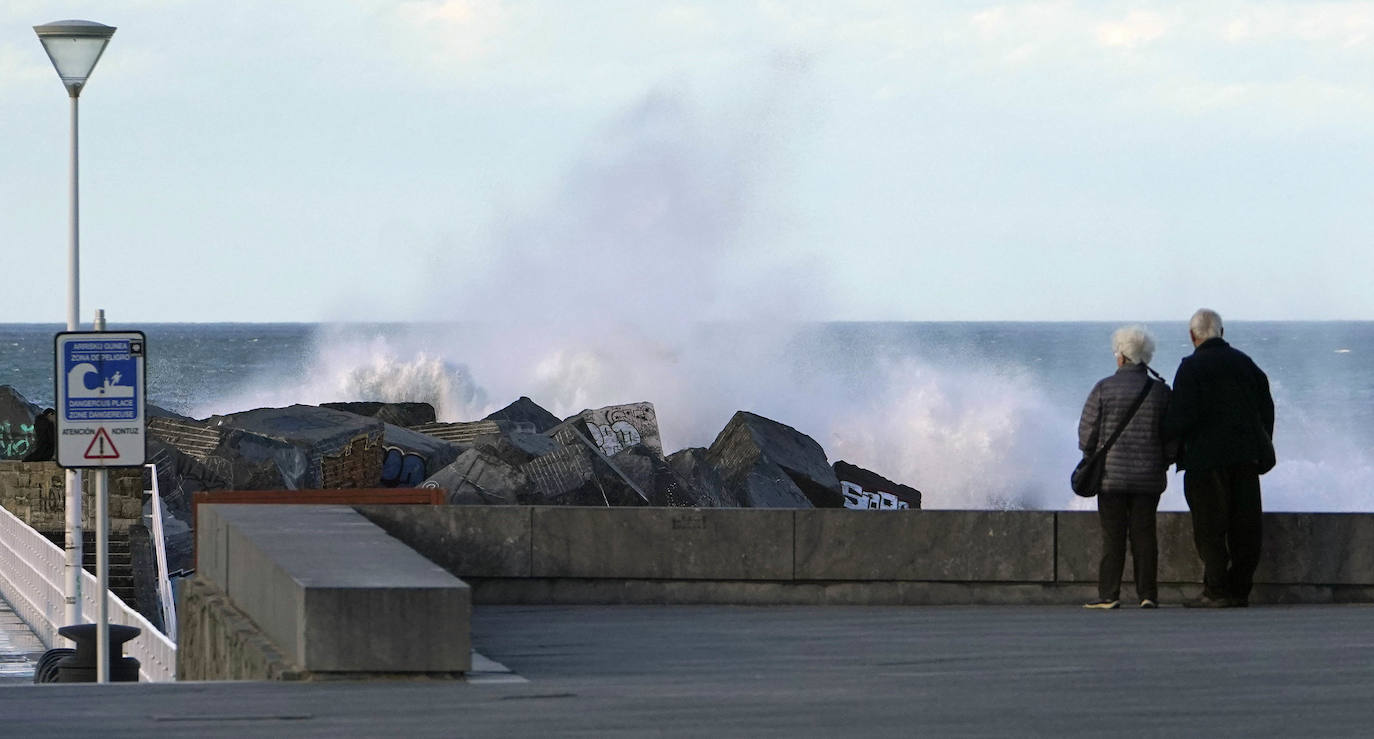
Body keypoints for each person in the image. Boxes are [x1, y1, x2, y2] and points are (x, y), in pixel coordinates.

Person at [1164, 309, 1275, 608]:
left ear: (1193, 335)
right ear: (1222, 332)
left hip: (1204, 460)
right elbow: (1266, 407)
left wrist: (1168, 441)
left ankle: (1216, 590)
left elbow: (1181, 416)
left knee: (1210, 528)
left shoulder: (1191, 367)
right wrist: (1261, 442)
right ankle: (1239, 589)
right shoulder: (1245, 363)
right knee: (1245, 527)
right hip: (1245, 458)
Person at [1078, 325, 1172, 609]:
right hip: (1148, 477)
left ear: (1121, 356)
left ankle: (1109, 594)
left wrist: (1091, 455)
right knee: (1145, 535)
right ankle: (1147, 595)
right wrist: (1162, 461)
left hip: (1111, 478)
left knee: (1113, 536)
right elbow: (1171, 437)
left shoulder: (1104, 388)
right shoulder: (1160, 391)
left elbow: (1087, 433)